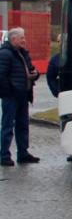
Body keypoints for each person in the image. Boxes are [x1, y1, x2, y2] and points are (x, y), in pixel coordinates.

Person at [0, 27, 40, 165]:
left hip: (23, 95)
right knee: (7, 126)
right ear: (13, 39)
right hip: (11, 96)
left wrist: (35, 74)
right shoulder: (5, 54)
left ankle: (23, 153)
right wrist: (9, 91)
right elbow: (1, 76)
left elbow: (30, 69)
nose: (24, 40)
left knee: (23, 125)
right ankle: (4, 155)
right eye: (22, 38)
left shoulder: (23, 53)